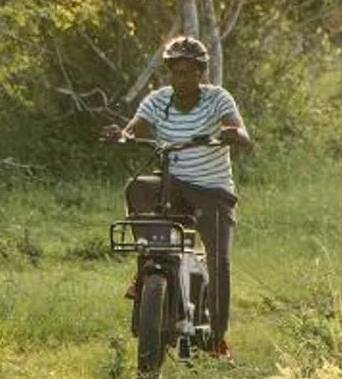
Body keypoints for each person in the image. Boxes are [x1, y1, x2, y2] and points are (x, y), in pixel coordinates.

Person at [100, 33, 252, 357]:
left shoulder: (217, 99)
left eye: (191, 72)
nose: (184, 78)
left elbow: (242, 133)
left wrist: (232, 134)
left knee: (219, 263)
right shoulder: (157, 100)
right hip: (174, 187)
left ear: (202, 73)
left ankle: (217, 341)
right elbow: (135, 129)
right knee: (138, 186)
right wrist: (122, 136)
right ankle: (149, 267)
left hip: (213, 193)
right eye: (177, 72)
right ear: (169, 73)